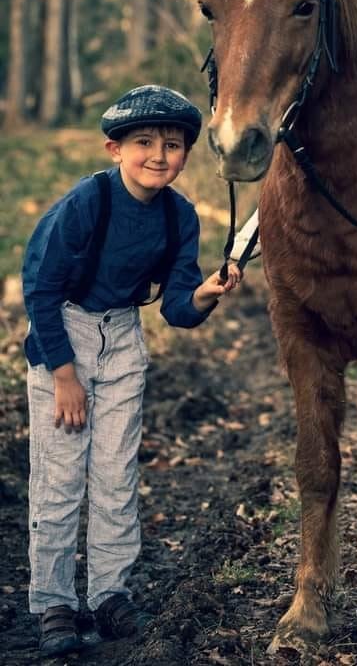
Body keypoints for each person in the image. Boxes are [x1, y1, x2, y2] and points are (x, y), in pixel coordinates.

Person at [22, 85, 241, 658]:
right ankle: (53, 603)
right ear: (114, 148)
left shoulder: (179, 217)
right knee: (60, 478)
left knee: (116, 476)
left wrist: (205, 296)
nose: (159, 155)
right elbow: (40, 288)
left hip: (122, 336)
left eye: (173, 144)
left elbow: (175, 306)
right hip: (62, 335)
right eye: (143, 142)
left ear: (186, 154)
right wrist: (63, 375)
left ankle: (108, 593)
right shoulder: (87, 202)